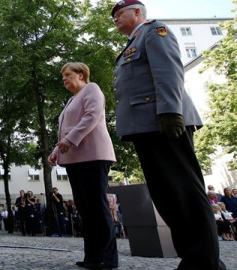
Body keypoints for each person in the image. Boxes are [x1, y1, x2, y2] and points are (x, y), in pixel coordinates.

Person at [111, 1, 226, 269]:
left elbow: (168, 71)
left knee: (184, 192)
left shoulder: (154, 31)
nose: (115, 18)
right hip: (146, 127)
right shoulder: (133, 41)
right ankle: (193, 257)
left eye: (120, 13)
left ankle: (205, 262)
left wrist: (171, 111)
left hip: (163, 122)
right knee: (169, 197)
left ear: (137, 12)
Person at [48, 62, 118, 269]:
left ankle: (106, 256)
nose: (64, 80)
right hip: (76, 157)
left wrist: (69, 140)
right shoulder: (72, 99)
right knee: (86, 209)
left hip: (93, 155)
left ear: (81, 74)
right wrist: (57, 150)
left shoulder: (92, 89)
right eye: (63, 77)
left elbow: (92, 116)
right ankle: (93, 256)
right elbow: (66, 130)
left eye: (68, 75)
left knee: (96, 205)